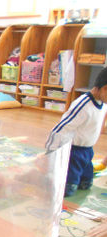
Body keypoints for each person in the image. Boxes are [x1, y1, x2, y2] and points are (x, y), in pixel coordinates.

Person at [46, 67, 107, 197]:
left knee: (85, 184)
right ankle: (50, 180)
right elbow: (62, 127)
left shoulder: (103, 103)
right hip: (74, 152)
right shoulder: (83, 105)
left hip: (88, 150)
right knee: (68, 189)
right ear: (105, 88)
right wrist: (51, 151)